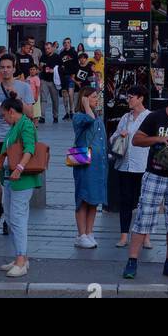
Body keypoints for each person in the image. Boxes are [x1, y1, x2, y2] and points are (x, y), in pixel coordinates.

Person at [122, 85, 168, 281]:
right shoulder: (155, 117)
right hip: (154, 175)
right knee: (143, 218)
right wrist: (159, 139)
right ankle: (132, 261)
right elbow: (136, 140)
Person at [0, 54, 34, 235]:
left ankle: (8, 218)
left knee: (12, 181)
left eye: (8, 67)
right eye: (2, 67)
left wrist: (18, 98)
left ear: (14, 69)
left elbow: (30, 113)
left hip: (16, 140)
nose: (5, 70)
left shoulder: (24, 87)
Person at [0, 95, 40, 277]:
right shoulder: (16, 125)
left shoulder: (25, 125)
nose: (4, 118)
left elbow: (30, 149)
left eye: (4, 115)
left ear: (12, 112)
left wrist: (19, 168)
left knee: (18, 219)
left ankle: (21, 260)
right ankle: (21, 257)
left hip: (21, 179)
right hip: (13, 179)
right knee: (12, 217)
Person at [111, 85, 151, 249]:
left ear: (140, 98)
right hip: (124, 165)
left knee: (145, 202)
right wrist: (119, 136)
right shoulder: (125, 118)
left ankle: (146, 237)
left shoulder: (150, 117)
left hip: (143, 165)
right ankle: (123, 235)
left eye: (131, 97)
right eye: (127, 97)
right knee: (125, 201)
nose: (128, 100)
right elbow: (113, 137)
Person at [71, 82, 107, 248]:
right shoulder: (79, 116)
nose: (97, 100)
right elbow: (89, 120)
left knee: (94, 199)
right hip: (84, 160)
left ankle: (90, 232)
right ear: (85, 99)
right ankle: (81, 234)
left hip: (98, 163)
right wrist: (86, 106)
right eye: (93, 97)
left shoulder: (98, 117)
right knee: (83, 198)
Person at [39, 40, 63, 124]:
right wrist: (41, 67)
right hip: (44, 79)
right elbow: (40, 67)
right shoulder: (43, 56)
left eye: (48, 48)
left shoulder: (57, 57)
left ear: (52, 48)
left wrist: (54, 70)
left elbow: (62, 68)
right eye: (46, 49)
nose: (47, 50)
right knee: (43, 99)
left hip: (53, 81)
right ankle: (42, 116)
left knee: (55, 99)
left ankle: (55, 116)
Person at [58, 36, 79, 118]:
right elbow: (59, 65)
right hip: (63, 77)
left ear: (70, 43)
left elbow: (77, 65)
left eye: (68, 42)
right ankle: (66, 112)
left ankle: (72, 111)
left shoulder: (74, 53)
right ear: (63, 44)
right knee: (64, 96)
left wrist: (74, 74)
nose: (66, 44)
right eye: (65, 43)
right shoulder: (61, 54)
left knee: (71, 94)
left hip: (71, 76)